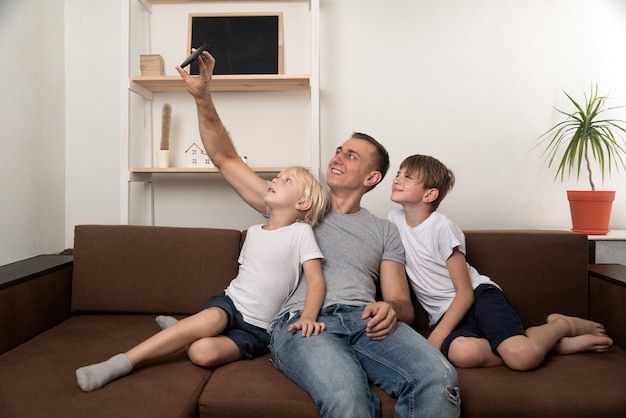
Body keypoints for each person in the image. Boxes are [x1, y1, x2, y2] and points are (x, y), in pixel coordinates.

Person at [174, 50, 460, 417]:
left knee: (439, 376)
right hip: (306, 323)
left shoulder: (385, 231)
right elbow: (226, 159)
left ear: (372, 179)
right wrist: (202, 97)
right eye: (339, 151)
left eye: (352, 156)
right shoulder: (297, 205)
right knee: (348, 397)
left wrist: (391, 309)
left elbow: (401, 302)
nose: (337, 158)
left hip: (366, 321)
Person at [76, 166, 330, 392]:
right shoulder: (254, 232)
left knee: (201, 353)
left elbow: (316, 280)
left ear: (303, 203)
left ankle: (180, 331)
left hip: (258, 330)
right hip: (230, 304)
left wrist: (308, 316)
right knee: (214, 318)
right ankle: (122, 362)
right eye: (279, 175)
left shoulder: (301, 233)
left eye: (287, 180)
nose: (275, 179)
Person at [388, 154, 614, 371]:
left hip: (478, 298)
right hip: (444, 316)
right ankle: (551, 345)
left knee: (522, 359)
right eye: (399, 173)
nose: (397, 178)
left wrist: (436, 338)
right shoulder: (393, 221)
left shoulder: (441, 227)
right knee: (462, 353)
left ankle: (562, 325)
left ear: (429, 195)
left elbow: (465, 292)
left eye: (408, 177)